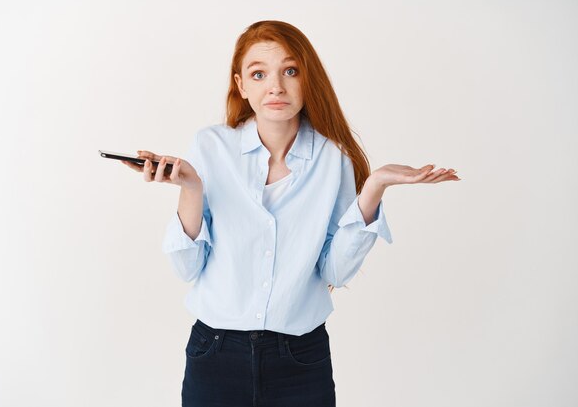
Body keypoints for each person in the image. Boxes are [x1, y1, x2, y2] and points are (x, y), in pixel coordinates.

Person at [121, 20, 459, 407]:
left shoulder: (334, 159)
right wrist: (191, 189)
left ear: (307, 79)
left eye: (290, 71)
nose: (276, 86)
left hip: (301, 358)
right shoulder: (210, 146)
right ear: (241, 85)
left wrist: (374, 188)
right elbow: (187, 269)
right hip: (214, 353)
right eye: (259, 74)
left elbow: (336, 272)